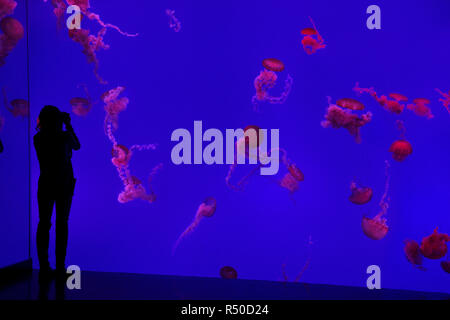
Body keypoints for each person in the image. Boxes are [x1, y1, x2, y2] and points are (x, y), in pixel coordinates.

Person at [34, 105, 80, 279]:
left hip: (46, 183)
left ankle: (44, 267)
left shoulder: (38, 138)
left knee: (44, 223)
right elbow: (77, 146)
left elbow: (75, 146)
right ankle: (59, 267)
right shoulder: (64, 136)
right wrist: (68, 124)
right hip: (64, 184)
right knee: (61, 224)